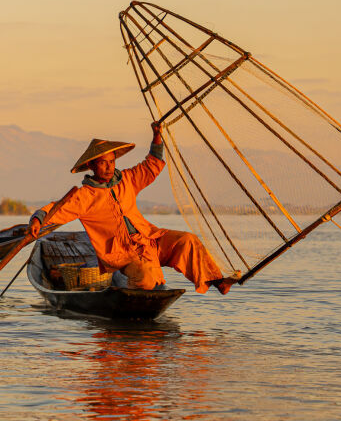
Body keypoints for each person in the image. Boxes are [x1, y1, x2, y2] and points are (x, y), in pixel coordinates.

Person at [29, 122, 236, 294]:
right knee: (146, 276)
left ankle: (217, 281)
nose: (109, 167)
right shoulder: (84, 196)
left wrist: (157, 137)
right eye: (103, 163)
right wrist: (38, 219)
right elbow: (56, 209)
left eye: (112, 162)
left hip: (149, 239)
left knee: (187, 240)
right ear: (92, 166)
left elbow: (151, 166)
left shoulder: (126, 179)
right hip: (122, 254)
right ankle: (128, 288)